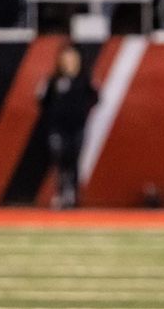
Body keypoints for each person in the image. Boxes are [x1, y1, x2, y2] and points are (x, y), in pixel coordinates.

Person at [38, 45, 98, 209]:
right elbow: (43, 101)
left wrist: (82, 111)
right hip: (58, 127)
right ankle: (60, 192)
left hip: (77, 126)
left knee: (74, 160)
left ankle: (73, 194)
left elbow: (96, 97)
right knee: (60, 158)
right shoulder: (54, 80)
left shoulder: (84, 79)